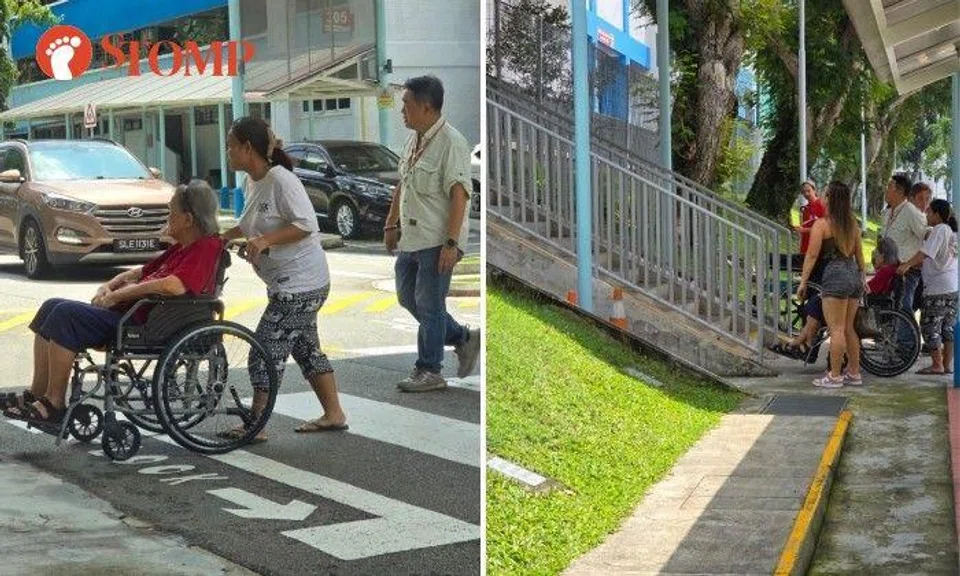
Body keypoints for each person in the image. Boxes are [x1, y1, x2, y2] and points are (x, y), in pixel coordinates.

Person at [1, 181, 224, 426]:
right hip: (129, 314)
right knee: (50, 307)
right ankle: (37, 395)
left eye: (171, 212)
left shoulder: (206, 247)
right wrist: (111, 285)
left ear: (188, 219)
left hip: (144, 323)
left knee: (65, 315)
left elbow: (173, 285)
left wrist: (117, 296)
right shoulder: (181, 248)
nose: (167, 217)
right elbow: (140, 272)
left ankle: (54, 403)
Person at [220, 116, 347, 438]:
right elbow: (251, 225)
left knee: (263, 351)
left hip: (301, 285)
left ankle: (257, 424)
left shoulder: (281, 180)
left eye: (231, 146)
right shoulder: (255, 181)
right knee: (306, 349)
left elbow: (306, 224)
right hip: (287, 284)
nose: (227, 152)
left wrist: (265, 242)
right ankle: (334, 414)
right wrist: (223, 236)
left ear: (248, 148)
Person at [383, 75, 481, 392]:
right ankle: (463, 338)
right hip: (412, 238)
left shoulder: (451, 142)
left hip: (438, 240)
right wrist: (390, 222)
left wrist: (451, 243)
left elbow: (459, 195)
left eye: (406, 104)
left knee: (429, 305)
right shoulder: (416, 140)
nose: (402, 111)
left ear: (426, 107)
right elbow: (404, 183)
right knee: (407, 298)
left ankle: (429, 370)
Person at [771, 236, 898, 360]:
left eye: (877, 253)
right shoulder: (889, 270)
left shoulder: (885, 272)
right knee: (817, 303)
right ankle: (802, 344)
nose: (874, 256)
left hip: (858, 306)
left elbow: (866, 289)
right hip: (859, 301)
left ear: (883, 256)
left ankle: (803, 345)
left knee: (817, 304)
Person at [797, 181, 866, 388]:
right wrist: (862, 277)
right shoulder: (852, 223)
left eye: (826, 195)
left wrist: (803, 282)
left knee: (836, 329)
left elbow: (811, 255)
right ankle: (854, 373)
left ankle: (834, 376)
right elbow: (860, 255)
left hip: (835, 275)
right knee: (848, 328)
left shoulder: (822, 224)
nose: (824, 199)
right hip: (853, 273)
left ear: (830, 199)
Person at [897, 199, 958, 375]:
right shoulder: (951, 231)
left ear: (937, 214)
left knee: (930, 326)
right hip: (951, 286)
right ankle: (946, 365)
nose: (926, 214)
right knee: (947, 327)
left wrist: (906, 264)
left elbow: (925, 253)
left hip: (937, 288)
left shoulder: (939, 230)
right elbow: (937, 258)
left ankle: (937, 364)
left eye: (929, 211)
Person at [882, 173, 928, 316]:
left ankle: (907, 339)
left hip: (907, 272)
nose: (886, 190)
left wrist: (908, 263)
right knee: (889, 308)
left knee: (903, 308)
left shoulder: (911, 212)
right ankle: (894, 338)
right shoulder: (887, 213)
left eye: (889, 186)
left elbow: (927, 237)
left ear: (900, 191)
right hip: (888, 270)